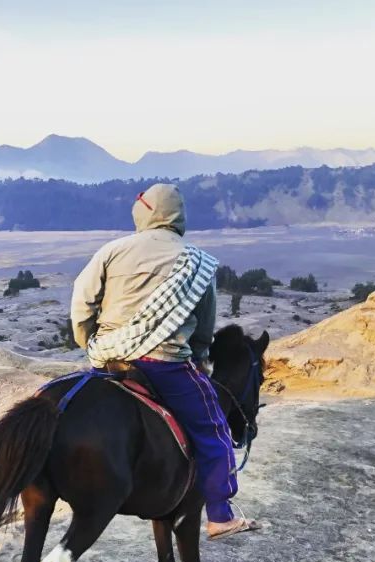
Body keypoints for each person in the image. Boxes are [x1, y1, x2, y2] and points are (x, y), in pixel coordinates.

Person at [70, 183, 258, 540]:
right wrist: (200, 361)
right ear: (178, 214)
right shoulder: (197, 262)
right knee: (214, 428)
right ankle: (219, 514)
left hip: (108, 359)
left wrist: (90, 344)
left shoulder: (111, 251)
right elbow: (203, 330)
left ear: (141, 214)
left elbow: (82, 304)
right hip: (165, 364)